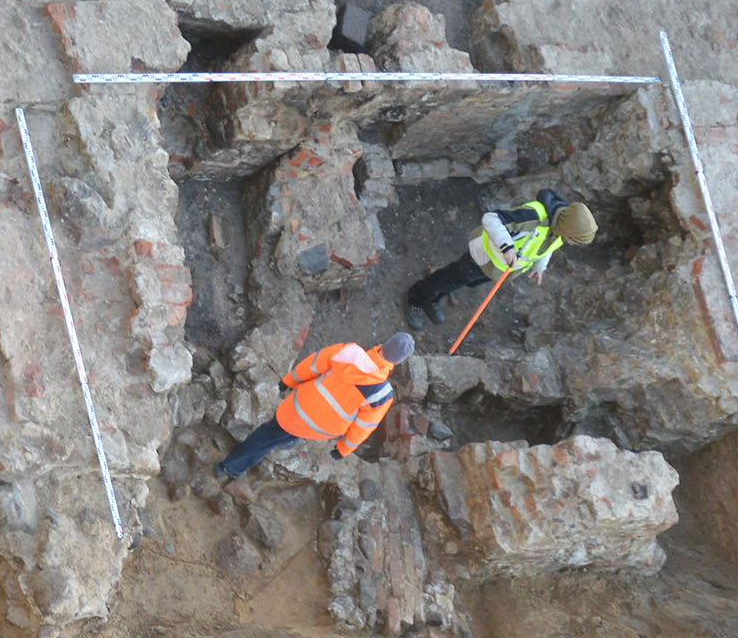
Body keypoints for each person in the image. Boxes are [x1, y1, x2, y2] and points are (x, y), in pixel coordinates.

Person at [215, 332, 414, 480]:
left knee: (264, 437)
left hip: (297, 409)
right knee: (283, 435)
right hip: (321, 428)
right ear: (397, 362)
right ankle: (283, 443)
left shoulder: (349, 352)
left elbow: (313, 364)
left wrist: (289, 381)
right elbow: (364, 426)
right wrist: (344, 449)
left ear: (384, 344)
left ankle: (231, 467)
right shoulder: (382, 393)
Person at [406, 188, 596, 328]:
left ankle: (433, 299)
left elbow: (547, 249)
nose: (572, 243)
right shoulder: (533, 216)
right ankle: (416, 298)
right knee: (450, 279)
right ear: (568, 228)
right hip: (481, 258)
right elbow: (491, 218)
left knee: (460, 283)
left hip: (497, 270)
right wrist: (507, 247)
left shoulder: (559, 232)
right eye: (574, 239)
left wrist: (540, 267)